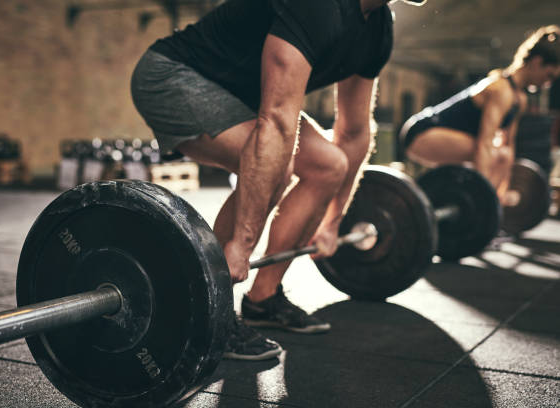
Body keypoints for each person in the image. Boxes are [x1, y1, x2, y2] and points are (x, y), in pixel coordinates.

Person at [131, 0, 428, 361]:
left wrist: (334, 221)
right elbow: (276, 120)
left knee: (329, 166)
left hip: (242, 95)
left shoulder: (377, 25)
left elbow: (353, 131)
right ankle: (208, 313)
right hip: (174, 76)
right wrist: (242, 243)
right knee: (276, 169)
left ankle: (263, 299)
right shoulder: (319, 7)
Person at [401, 25, 560, 205]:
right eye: (549, 76)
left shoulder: (519, 99)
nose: (547, 84)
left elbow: (510, 145)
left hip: (450, 139)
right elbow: (484, 145)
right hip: (421, 133)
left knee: (503, 154)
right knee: (494, 153)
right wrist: (483, 196)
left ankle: (486, 204)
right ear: (537, 62)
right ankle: (480, 202)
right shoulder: (501, 90)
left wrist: (503, 190)